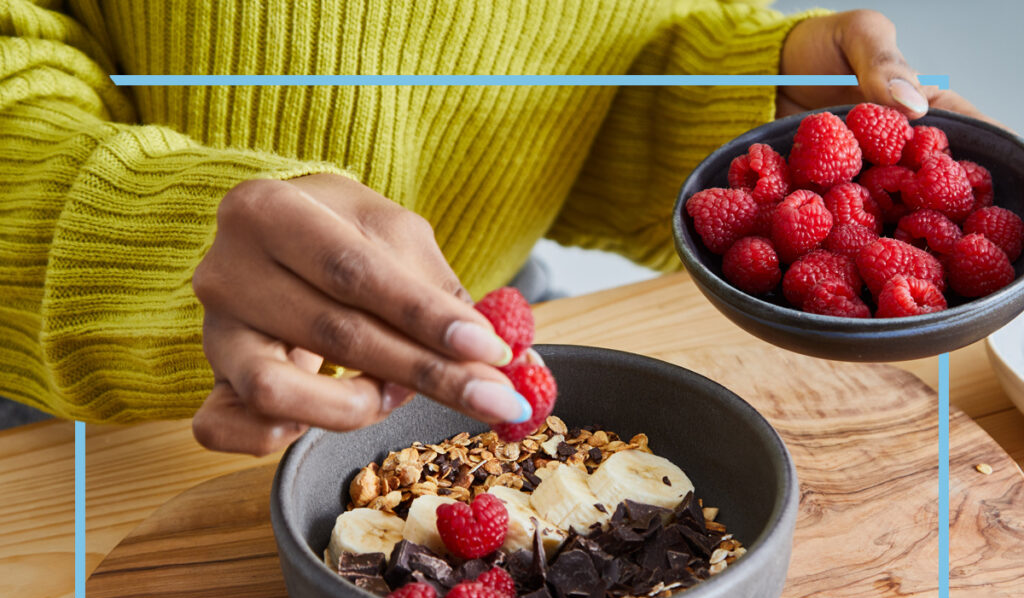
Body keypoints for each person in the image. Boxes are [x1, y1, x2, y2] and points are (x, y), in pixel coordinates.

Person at [0, 1, 988, 455]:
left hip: (474, 346)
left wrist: (755, 122)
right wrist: (156, 233)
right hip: (64, 404)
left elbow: (579, 56)